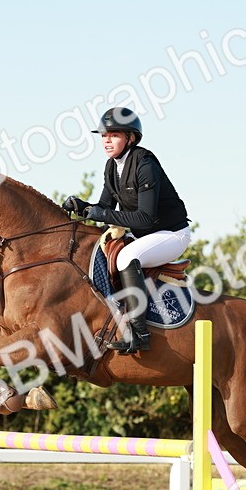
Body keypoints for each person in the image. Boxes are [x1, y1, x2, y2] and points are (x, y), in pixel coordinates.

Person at [61, 107, 191, 354]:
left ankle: (140, 333)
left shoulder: (145, 163)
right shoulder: (111, 166)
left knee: (126, 257)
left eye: (114, 135)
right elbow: (104, 208)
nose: (107, 141)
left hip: (171, 234)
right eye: (103, 136)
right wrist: (83, 207)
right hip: (145, 234)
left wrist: (100, 213)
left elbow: (144, 217)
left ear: (130, 138)